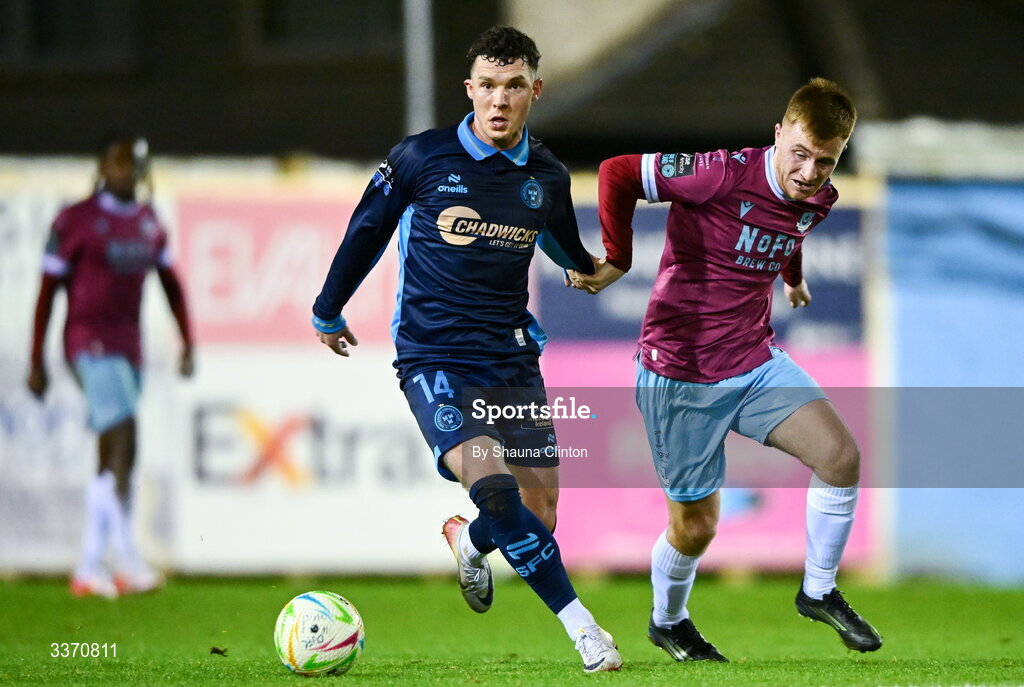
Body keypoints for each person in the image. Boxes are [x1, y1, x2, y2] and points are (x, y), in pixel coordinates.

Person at [311, 26, 621, 673]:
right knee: (498, 489)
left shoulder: (547, 176)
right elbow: (367, 228)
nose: (499, 101)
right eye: (487, 86)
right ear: (469, 89)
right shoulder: (422, 158)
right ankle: (586, 630)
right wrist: (327, 307)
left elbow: (565, 249)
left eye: (513, 87)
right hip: (434, 359)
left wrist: (598, 267)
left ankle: (471, 542)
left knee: (540, 512)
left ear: (534, 90)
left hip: (510, 358)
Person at [570, 78, 882, 660]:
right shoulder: (719, 172)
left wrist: (792, 279)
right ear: (778, 134)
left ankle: (818, 589)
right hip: (680, 370)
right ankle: (669, 621)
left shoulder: (820, 195)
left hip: (753, 358)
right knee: (696, 527)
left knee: (841, 457)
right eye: (801, 153)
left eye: (826, 160)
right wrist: (616, 258)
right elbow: (617, 172)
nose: (811, 172)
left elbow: (788, 225)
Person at [27, 134, 194, 598]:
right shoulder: (76, 219)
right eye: (117, 163)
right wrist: (35, 358)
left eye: (132, 164)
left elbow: (171, 284)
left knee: (116, 452)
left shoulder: (147, 223)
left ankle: (90, 564)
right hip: (88, 342)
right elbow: (46, 292)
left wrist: (187, 341)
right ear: (102, 167)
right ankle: (126, 557)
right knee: (122, 436)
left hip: (129, 349)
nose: (125, 172)